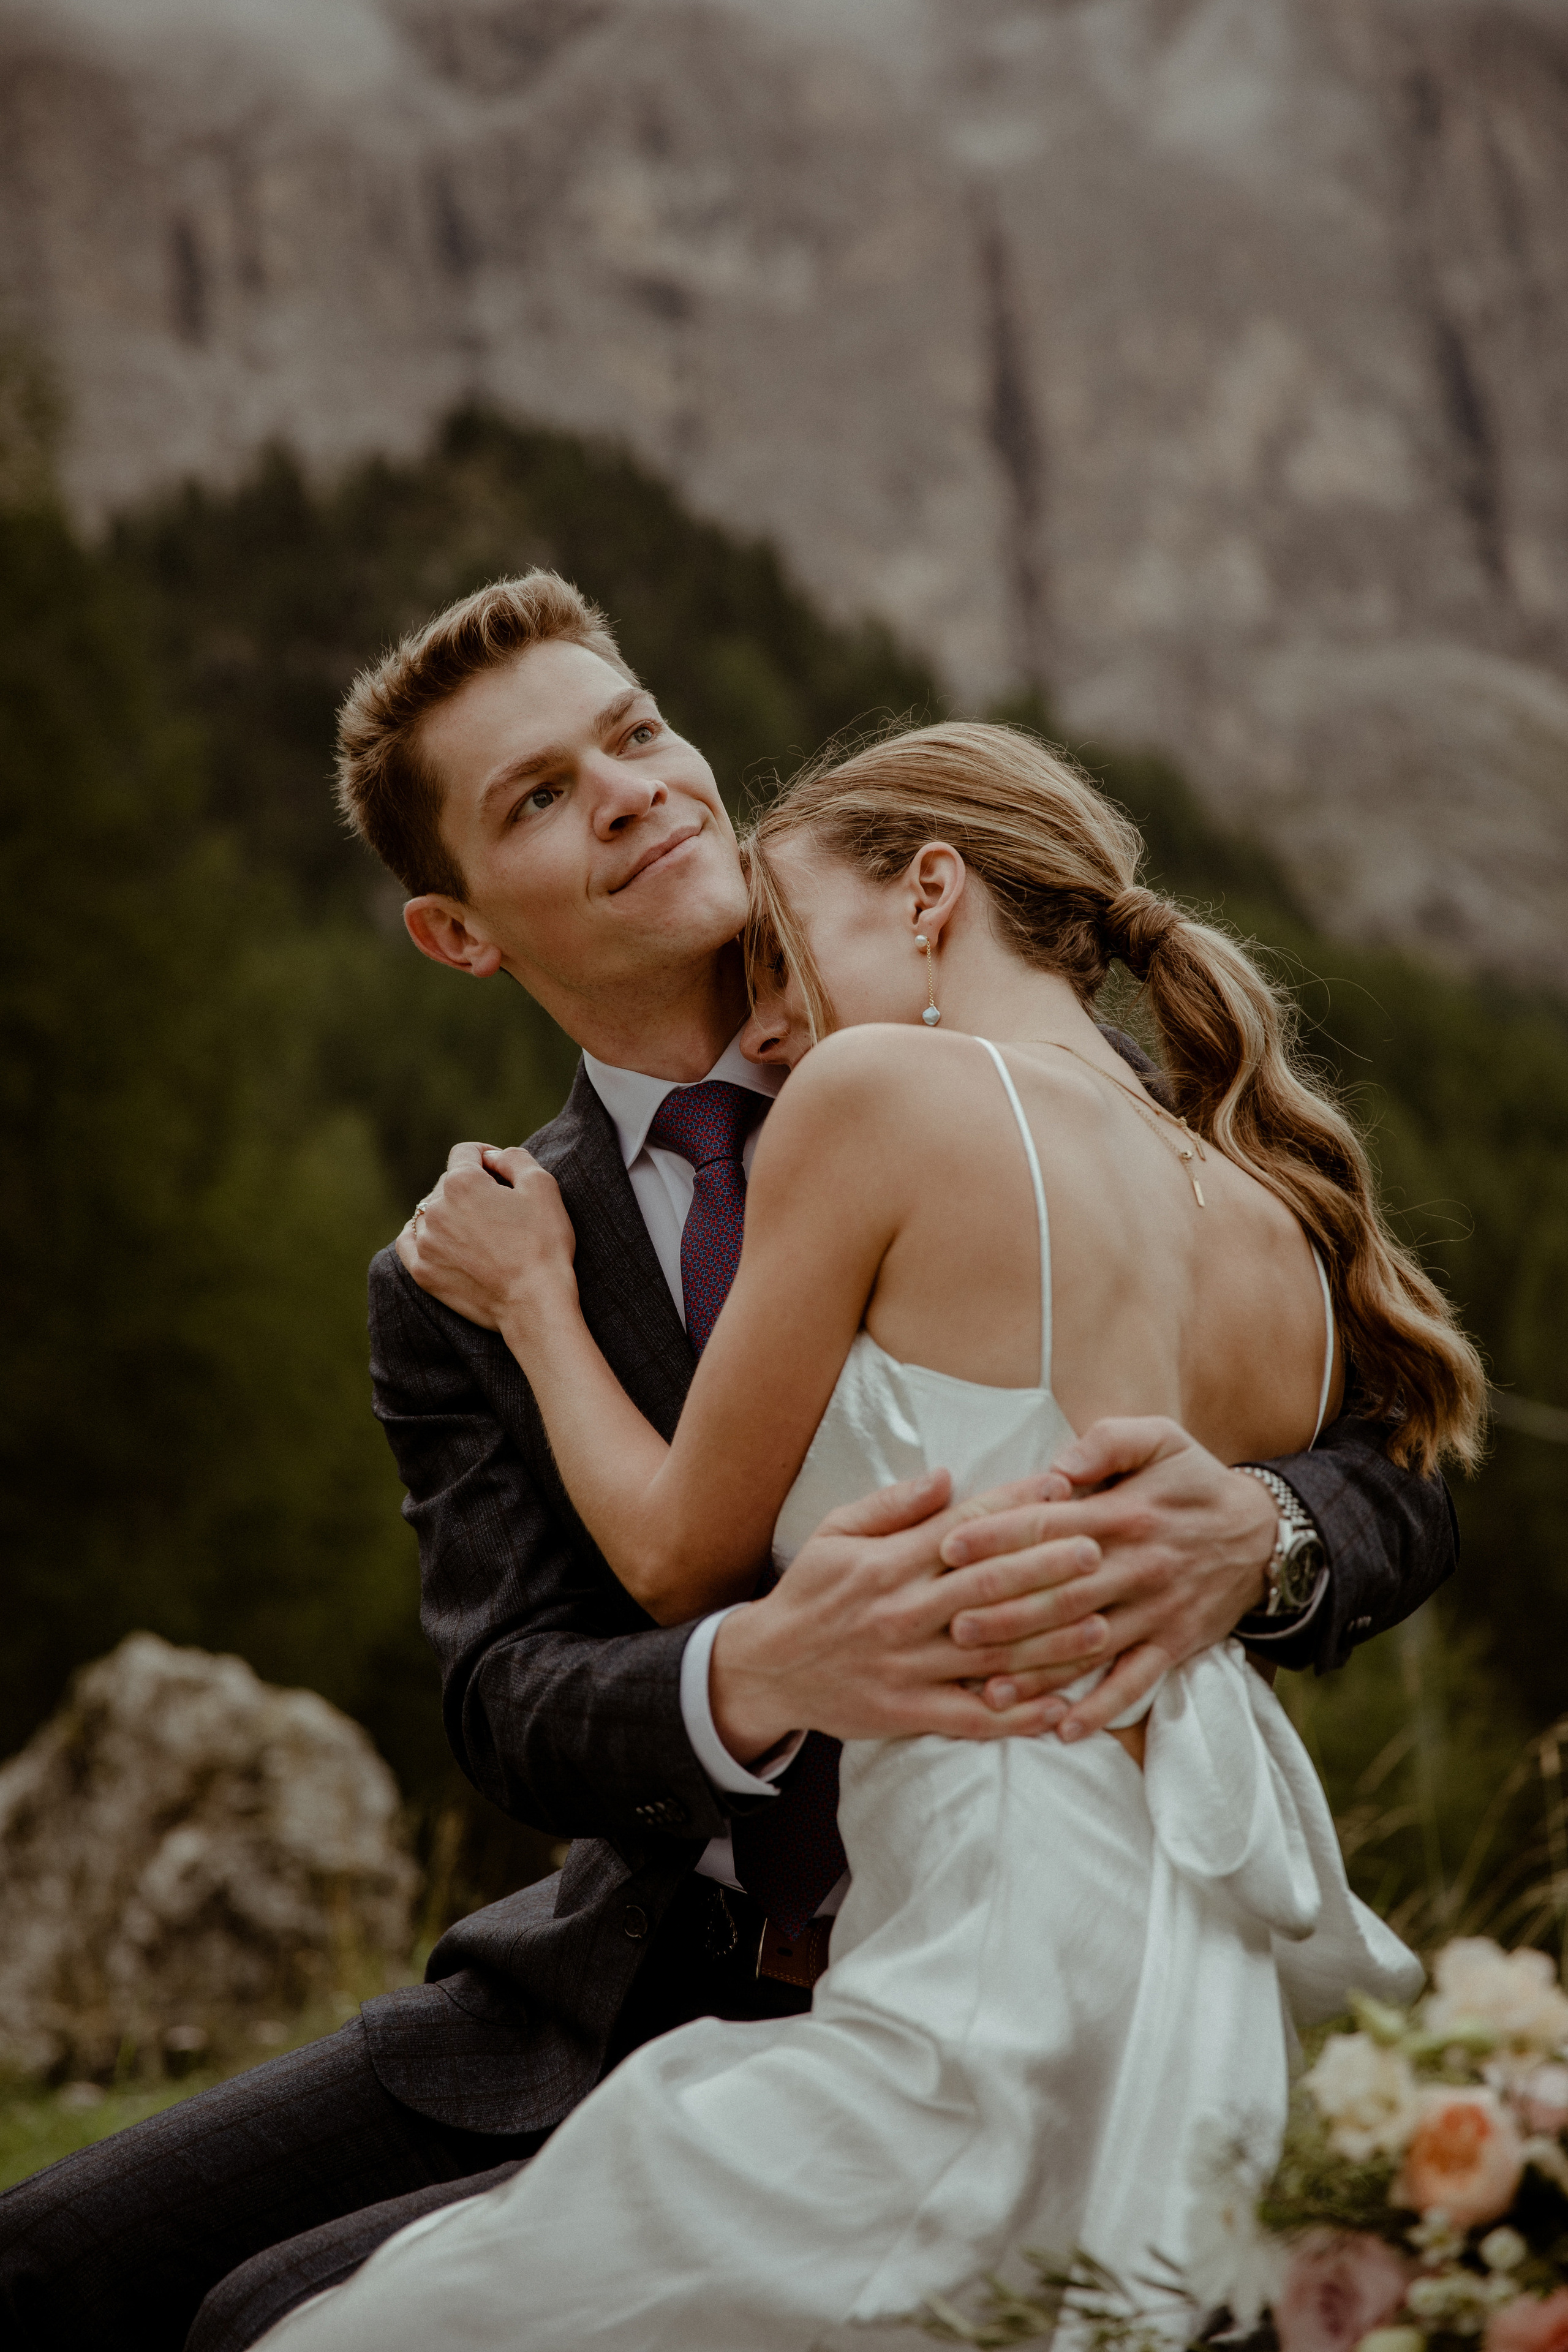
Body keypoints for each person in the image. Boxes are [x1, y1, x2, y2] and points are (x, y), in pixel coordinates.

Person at [0, 578, 1457, 2352]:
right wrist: (746, 1678)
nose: (629, 789)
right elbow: (509, 1692)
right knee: (48, 2261)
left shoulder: (1048, 1096)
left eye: (631, 732)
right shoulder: (465, 1267)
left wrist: (1261, 1529)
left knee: (276, 2320)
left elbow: (1402, 1459)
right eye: (540, 795)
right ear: (459, 936)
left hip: (996, 1958)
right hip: (634, 1966)